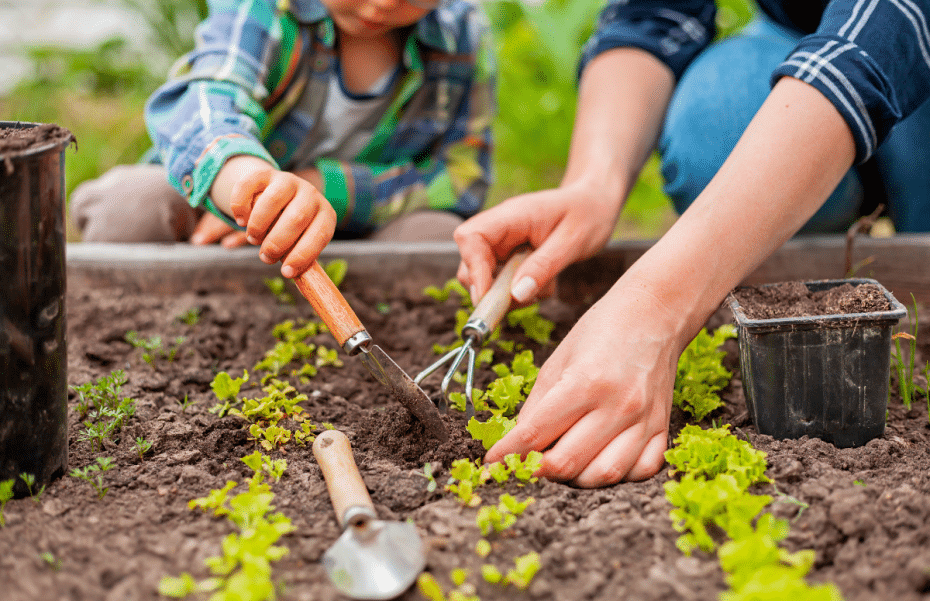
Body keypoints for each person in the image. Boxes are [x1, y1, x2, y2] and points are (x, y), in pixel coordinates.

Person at [454, 0, 930, 487]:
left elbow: (885, 30)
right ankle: (816, 198)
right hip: (803, 30)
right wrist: (593, 185)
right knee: (716, 126)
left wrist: (657, 305)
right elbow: (653, 15)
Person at [70, 0, 494, 278]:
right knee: (129, 207)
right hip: (215, 206)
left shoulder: (461, 35)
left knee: (440, 235)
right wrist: (243, 182)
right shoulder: (267, 9)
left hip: (353, 235)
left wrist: (324, 188)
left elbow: (461, 177)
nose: (383, 3)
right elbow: (208, 95)